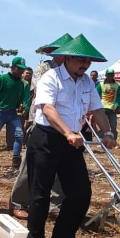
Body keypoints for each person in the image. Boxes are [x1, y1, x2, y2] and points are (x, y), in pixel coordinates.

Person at [26, 34, 115, 238]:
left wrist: (107, 133)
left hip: (72, 141)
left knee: (80, 193)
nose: (84, 64)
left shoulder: (87, 82)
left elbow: (98, 110)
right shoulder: (51, 77)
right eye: (79, 60)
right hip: (47, 138)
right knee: (40, 194)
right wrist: (67, 132)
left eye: (88, 61)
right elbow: (47, 108)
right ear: (67, 58)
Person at [9, 33, 72, 220]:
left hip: (65, 124)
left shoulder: (74, 72)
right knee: (32, 165)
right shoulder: (44, 68)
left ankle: (55, 204)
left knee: (62, 165)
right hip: (42, 122)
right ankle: (19, 202)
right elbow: (41, 93)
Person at [95, 68, 120, 141]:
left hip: (112, 108)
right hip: (102, 108)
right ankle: (101, 140)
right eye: (108, 75)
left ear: (113, 75)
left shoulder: (117, 85)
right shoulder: (101, 85)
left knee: (113, 126)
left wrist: (117, 104)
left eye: (111, 75)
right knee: (102, 125)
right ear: (106, 75)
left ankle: (113, 140)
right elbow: (96, 95)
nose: (110, 76)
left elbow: (119, 96)